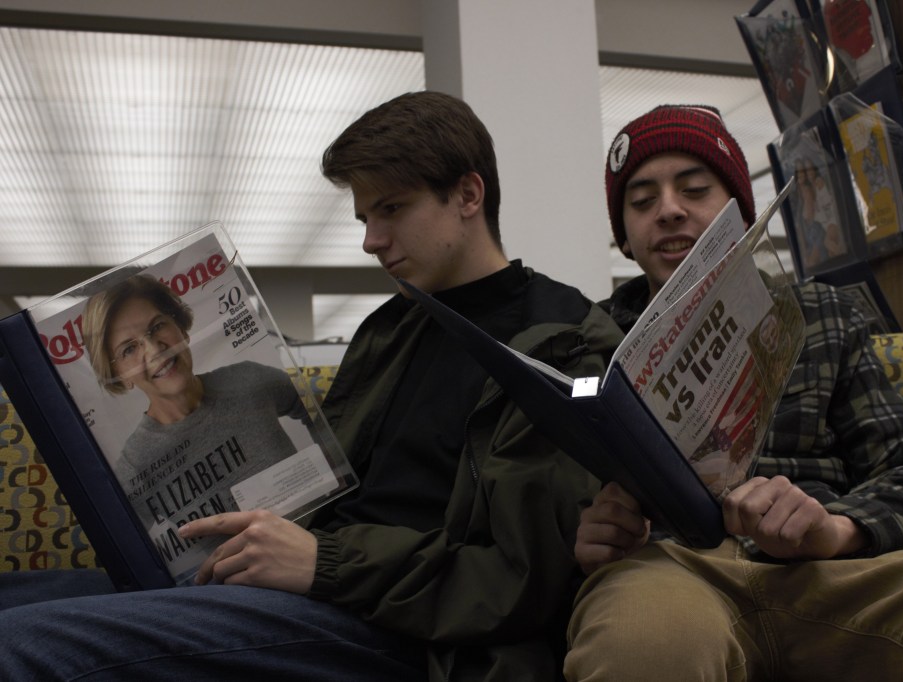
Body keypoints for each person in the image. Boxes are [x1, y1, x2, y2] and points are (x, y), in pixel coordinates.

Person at [0, 91, 622, 681]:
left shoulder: (559, 341)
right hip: (325, 582)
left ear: (467, 194)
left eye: (392, 209)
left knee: (20, 642)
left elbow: (519, 580)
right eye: (365, 217)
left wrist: (323, 562)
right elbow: (331, 483)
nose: (371, 241)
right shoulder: (392, 326)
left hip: (410, 630)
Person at [564, 104, 903, 680]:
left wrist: (832, 530)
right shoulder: (590, 344)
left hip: (829, 570)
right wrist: (590, 536)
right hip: (669, 569)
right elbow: (557, 511)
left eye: (695, 189)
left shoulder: (822, 315)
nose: (670, 210)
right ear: (626, 238)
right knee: (643, 647)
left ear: (739, 212)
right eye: (641, 201)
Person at [81, 273, 313, 582]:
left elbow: (323, 414)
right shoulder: (135, 463)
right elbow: (122, 559)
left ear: (181, 328)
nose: (153, 350)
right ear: (119, 376)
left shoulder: (250, 380)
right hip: (244, 590)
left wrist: (336, 471)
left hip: (319, 548)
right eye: (129, 349)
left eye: (157, 326)